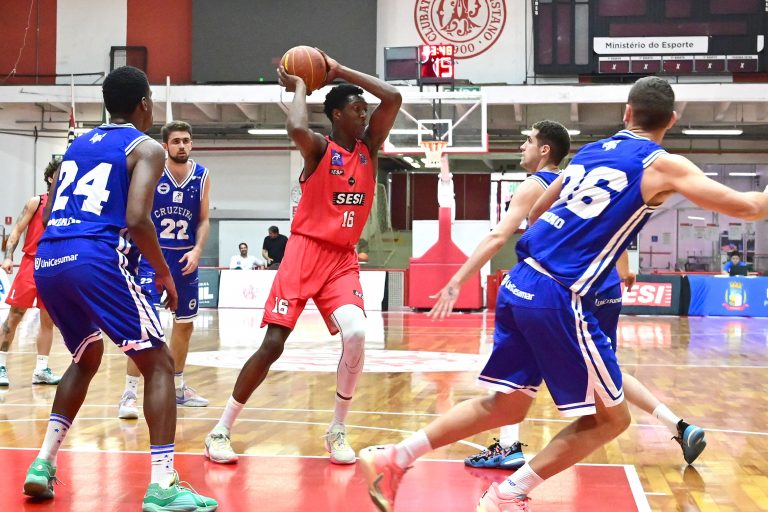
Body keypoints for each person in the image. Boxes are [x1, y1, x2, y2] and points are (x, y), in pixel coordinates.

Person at [359, 76, 768, 512]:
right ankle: (507, 493)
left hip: (519, 281)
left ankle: (395, 456)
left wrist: (572, 236)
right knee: (612, 419)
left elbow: (538, 210)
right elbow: (751, 208)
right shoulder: (663, 164)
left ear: (627, 113)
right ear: (671, 119)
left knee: (507, 406)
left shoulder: (590, 152)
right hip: (559, 294)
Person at [445, 122, 704, 472]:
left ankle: (507, 448)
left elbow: (501, 235)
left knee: (522, 363)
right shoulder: (585, 176)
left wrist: (458, 278)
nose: (522, 146)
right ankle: (677, 425)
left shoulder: (540, 185)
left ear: (544, 149)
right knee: (606, 370)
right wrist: (624, 267)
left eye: (527, 141)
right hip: (603, 283)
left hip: (562, 286)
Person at [23, 66, 216, 511]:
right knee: (160, 364)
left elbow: (53, 210)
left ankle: (43, 462)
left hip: (50, 258)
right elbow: (136, 219)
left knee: (86, 357)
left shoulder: (76, 145)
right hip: (96, 257)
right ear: (145, 103)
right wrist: (163, 272)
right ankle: (163, 484)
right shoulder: (146, 147)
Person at [203, 53, 401, 466]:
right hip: (304, 252)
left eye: (364, 110)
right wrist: (299, 86)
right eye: (356, 109)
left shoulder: (368, 149)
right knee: (273, 345)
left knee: (357, 332)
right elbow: (295, 127)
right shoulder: (319, 149)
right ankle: (221, 430)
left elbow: (393, 97)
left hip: (341, 259)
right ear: (336, 115)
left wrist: (339, 70)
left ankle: (337, 429)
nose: (364, 115)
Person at [118, 121, 212, 419]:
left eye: (186, 140)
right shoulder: (153, 170)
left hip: (185, 259)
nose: (182, 146)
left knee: (185, 324)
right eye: (176, 141)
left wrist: (197, 250)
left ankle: (178, 386)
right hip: (151, 257)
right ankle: (130, 393)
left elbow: (204, 220)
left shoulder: (202, 175)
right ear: (165, 146)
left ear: (191, 143)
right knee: (143, 326)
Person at [0, 161, 62, 387]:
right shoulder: (37, 202)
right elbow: (16, 230)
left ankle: (41, 370)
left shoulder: (70, 206)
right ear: (50, 178)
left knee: (48, 320)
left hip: (54, 266)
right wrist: (8, 256)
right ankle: (0, 365)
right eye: (59, 174)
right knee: (15, 315)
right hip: (31, 264)